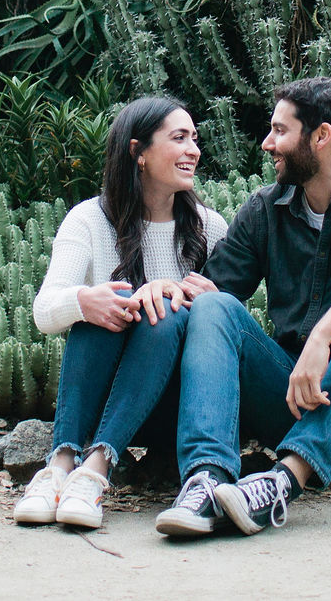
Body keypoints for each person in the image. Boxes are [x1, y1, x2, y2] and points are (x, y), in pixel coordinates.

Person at [154, 76, 331, 538]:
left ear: (321, 137)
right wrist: (167, 291)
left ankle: (284, 480)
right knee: (214, 308)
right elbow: (214, 291)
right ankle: (206, 479)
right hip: (294, 398)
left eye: (280, 131)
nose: (267, 144)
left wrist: (322, 337)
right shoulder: (266, 208)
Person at [14, 95, 229, 530]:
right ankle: (60, 467)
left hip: (177, 404)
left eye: (195, 138)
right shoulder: (89, 220)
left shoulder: (210, 227)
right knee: (103, 306)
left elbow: (226, 330)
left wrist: (208, 297)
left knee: (163, 307)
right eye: (179, 138)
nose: (194, 150)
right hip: (110, 402)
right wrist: (84, 301)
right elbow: (43, 310)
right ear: (139, 152)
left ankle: (94, 471)